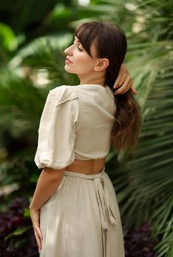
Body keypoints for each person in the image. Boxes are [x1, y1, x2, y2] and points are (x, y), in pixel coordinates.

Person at [30, 21, 141, 257]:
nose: (67, 51)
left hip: (68, 197)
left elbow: (54, 171)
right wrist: (118, 68)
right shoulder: (111, 97)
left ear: (101, 63)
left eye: (79, 48)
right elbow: (109, 70)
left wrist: (34, 206)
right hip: (100, 192)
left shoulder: (65, 97)